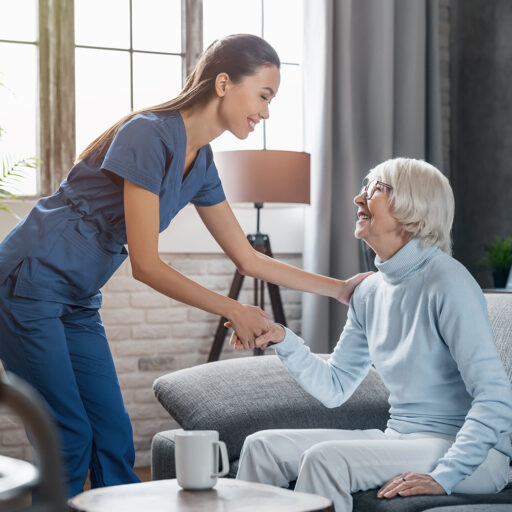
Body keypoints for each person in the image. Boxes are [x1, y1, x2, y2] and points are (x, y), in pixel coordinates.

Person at [0, 34, 369, 497]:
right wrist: (232, 309)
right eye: (263, 96)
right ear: (222, 84)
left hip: (76, 299)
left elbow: (248, 257)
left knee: (112, 434)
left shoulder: (202, 163)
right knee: (67, 435)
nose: (266, 112)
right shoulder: (148, 134)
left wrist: (340, 289)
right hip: (27, 284)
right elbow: (147, 265)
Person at [233, 157, 512, 512]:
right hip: (400, 439)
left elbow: (495, 396)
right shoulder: (369, 292)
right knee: (262, 446)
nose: (358, 199)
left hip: (473, 453)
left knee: (326, 459)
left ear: (414, 207)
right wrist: (282, 339)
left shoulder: (448, 281)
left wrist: (447, 474)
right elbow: (335, 387)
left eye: (376, 188)